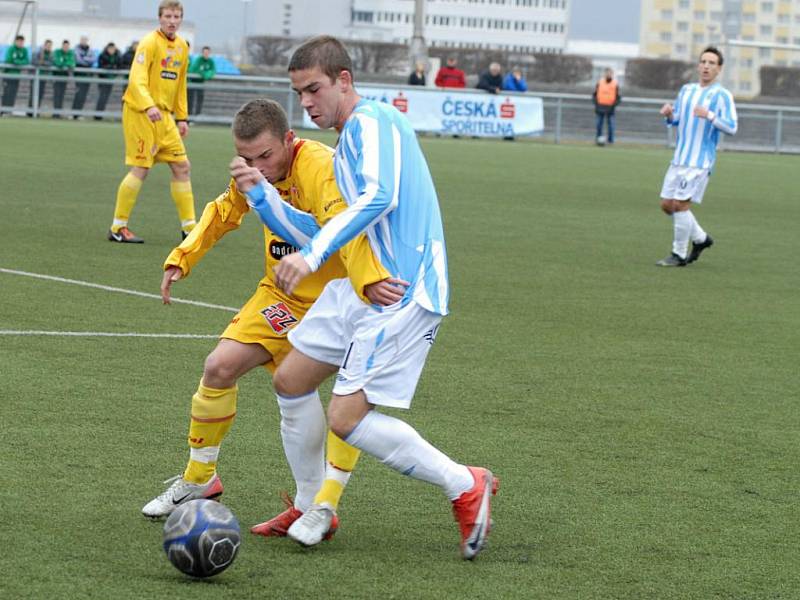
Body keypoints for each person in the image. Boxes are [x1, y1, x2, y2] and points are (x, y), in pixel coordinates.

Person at [235, 35, 498, 560]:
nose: (306, 102)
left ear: (344, 81)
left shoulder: (373, 122)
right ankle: (313, 505)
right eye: (299, 93)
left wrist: (311, 260)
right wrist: (261, 195)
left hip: (403, 288)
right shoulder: (345, 143)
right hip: (361, 286)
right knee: (290, 379)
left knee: (346, 419)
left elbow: (379, 197)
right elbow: (329, 228)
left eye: (314, 89)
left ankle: (464, 483)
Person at [142, 99, 401, 542]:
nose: (257, 167)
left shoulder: (320, 167)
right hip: (281, 297)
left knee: (346, 400)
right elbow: (225, 210)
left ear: (287, 140)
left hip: (335, 304)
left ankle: (323, 504)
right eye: (247, 158)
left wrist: (369, 280)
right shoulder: (251, 172)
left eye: (266, 156)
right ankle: (200, 478)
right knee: (219, 367)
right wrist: (182, 258)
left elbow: (344, 230)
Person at [108, 0, 196, 244]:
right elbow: (136, 79)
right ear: (160, 17)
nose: (172, 20)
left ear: (180, 19)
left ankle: (190, 228)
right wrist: (148, 105)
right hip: (140, 112)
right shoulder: (149, 42)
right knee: (141, 168)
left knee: (182, 166)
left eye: (176, 16)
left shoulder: (182, 47)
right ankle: (118, 227)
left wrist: (182, 117)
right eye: (168, 15)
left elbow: (180, 85)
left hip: (166, 118)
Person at [656, 46, 737, 267]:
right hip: (679, 158)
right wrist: (669, 114)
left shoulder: (722, 95)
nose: (706, 66)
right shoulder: (687, 90)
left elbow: (732, 126)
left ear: (719, 69)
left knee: (681, 204)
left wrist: (710, 115)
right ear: (698, 65)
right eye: (703, 62)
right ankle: (701, 239)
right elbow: (678, 119)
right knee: (666, 205)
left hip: (699, 161)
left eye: (712, 63)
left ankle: (679, 254)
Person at [2, 35, 29, 114]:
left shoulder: (24, 50)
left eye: (22, 42)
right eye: (19, 41)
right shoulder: (11, 49)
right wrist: (18, 62)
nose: (21, 43)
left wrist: (17, 62)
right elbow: (9, 59)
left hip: (17, 75)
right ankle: (3, 110)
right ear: (16, 41)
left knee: (13, 93)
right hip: (8, 75)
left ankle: (9, 110)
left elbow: (26, 61)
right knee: (7, 92)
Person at [592, 68, 621, 145]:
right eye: (607, 73)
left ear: (612, 74)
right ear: (604, 74)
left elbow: (618, 97)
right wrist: (596, 104)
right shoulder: (600, 82)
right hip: (600, 107)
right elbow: (594, 95)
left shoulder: (615, 84)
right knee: (599, 125)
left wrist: (614, 105)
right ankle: (598, 139)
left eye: (610, 73)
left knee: (611, 125)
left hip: (610, 108)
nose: (608, 74)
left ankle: (610, 141)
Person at [71, 35, 96, 117]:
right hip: (79, 75)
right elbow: (78, 60)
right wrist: (86, 60)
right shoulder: (76, 49)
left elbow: (93, 59)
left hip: (87, 76)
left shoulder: (90, 50)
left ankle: (79, 113)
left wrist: (84, 59)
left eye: (85, 40)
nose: (84, 41)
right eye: (82, 40)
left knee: (84, 95)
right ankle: (74, 113)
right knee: (78, 94)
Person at [95, 42, 121, 119]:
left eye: (113, 49)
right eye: (110, 48)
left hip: (111, 79)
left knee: (105, 97)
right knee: (102, 96)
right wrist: (109, 67)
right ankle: (97, 115)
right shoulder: (102, 55)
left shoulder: (117, 56)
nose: (111, 50)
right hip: (103, 79)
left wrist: (114, 68)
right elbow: (100, 65)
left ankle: (100, 114)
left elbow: (119, 65)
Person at [188, 45, 216, 116]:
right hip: (192, 83)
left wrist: (208, 74)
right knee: (190, 100)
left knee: (200, 100)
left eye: (207, 53)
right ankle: (190, 116)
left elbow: (213, 70)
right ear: (202, 53)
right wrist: (204, 74)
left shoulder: (211, 61)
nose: (206, 54)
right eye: (205, 52)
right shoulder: (198, 60)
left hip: (201, 84)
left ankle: (197, 116)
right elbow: (195, 70)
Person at [29, 39, 53, 113]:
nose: (48, 47)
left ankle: (36, 111)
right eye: (47, 45)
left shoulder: (51, 54)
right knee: (33, 94)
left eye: (50, 46)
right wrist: (42, 62)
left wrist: (42, 63)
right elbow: (34, 61)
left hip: (43, 77)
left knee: (40, 94)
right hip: (35, 77)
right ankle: (30, 111)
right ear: (44, 45)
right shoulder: (37, 52)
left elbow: (51, 63)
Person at [52, 40, 75, 118]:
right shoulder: (57, 52)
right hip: (57, 77)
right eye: (64, 46)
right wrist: (65, 64)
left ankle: (58, 113)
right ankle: (55, 113)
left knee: (62, 95)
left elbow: (72, 63)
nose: (66, 48)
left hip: (65, 77)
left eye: (67, 46)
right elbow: (58, 63)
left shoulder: (71, 53)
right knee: (57, 95)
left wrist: (65, 64)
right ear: (62, 46)